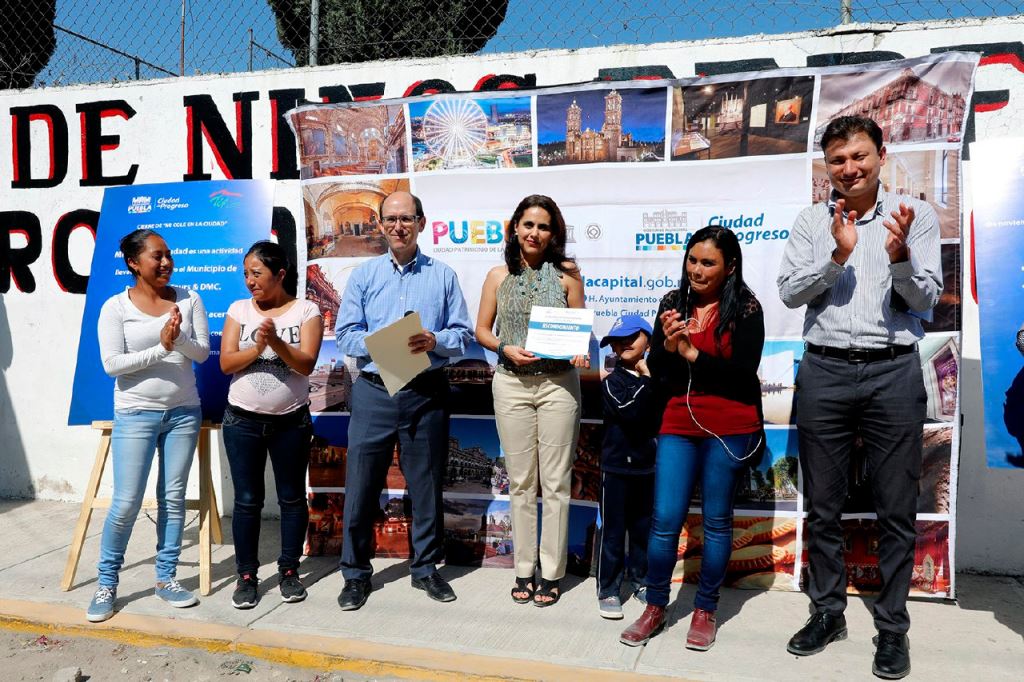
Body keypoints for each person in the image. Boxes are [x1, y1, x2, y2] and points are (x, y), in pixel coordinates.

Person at [777, 115, 941, 680]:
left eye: (859, 157)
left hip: (892, 372)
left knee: (896, 508)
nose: (849, 169)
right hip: (823, 371)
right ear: (826, 167)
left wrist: (896, 257)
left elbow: (925, 299)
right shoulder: (809, 221)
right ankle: (828, 612)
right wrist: (837, 257)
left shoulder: (913, 216)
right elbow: (790, 291)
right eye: (837, 161)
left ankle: (892, 629)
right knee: (823, 506)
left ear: (880, 155)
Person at [620, 225, 764, 651]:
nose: (697, 271)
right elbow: (663, 377)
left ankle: (704, 610)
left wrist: (693, 354)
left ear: (729, 267)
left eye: (708, 263)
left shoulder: (747, 308)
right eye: (692, 260)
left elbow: (742, 375)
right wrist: (665, 347)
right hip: (678, 422)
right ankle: (656, 606)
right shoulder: (671, 302)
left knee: (717, 522)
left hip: (729, 427)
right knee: (665, 520)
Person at [335, 191, 472, 610]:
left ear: (421, 222)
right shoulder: (363, 276)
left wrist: (435, 339)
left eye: (406, 218)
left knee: (426, 486)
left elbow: (462, 334)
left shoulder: (443, 275)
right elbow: (345, 334)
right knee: (361, 487)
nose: (398, 226)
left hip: (425, 392)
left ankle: (426, 568)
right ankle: (356, 574)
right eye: (390, 219)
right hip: (374, 392)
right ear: (380, 225)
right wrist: (385, 345)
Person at [87, 229, 210, 622]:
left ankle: (166, 579)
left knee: (173, 499)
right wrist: (161, 346)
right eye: (157, 256)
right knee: (125, 503)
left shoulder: (189, 299)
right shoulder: (115, 308)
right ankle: (107, 583)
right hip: (136, 414)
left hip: (183, 412)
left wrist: (178, 338)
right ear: (133, 263)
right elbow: (112, 366)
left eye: (169, 255)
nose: (166, 263)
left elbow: (203, 354)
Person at [475, 194, 588, 608]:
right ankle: (524, 568)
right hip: (510, 385)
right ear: (515, 228)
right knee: (521, 482)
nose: (534, 233)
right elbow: (482, 330)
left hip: (558, 386)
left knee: (555, 482)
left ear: (553, 232)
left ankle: (552, 573)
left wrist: (579, 350)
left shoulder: (568, 275)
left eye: (543, 226)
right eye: (528, 225)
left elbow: (578, 330)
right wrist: (504, 347)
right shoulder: (496, 276)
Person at [219, 241, 323, 609]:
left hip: (291, 423)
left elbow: (306, 363)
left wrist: (276, 341)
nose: (250, 281)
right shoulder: (238, 309)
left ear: (280, 274)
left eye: (257, 273)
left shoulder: (307, 310)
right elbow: (227, 364)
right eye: (246, 273)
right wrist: (257, 347)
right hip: (241, 421)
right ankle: (246, 575)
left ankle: (290, 571)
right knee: (247, 502)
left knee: (292, 498)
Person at [595, 314, 658, 620]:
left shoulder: (657, 378)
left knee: (643, 530)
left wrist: (650, 378)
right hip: (616, 469)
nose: (625, 344)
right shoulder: (611, 383)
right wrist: (646, 380)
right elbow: (630, 411)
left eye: (632, 337)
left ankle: (642, 581)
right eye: (618, 341)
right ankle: (608, 588)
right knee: (613, 531)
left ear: (648, 339)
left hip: (647, 468)